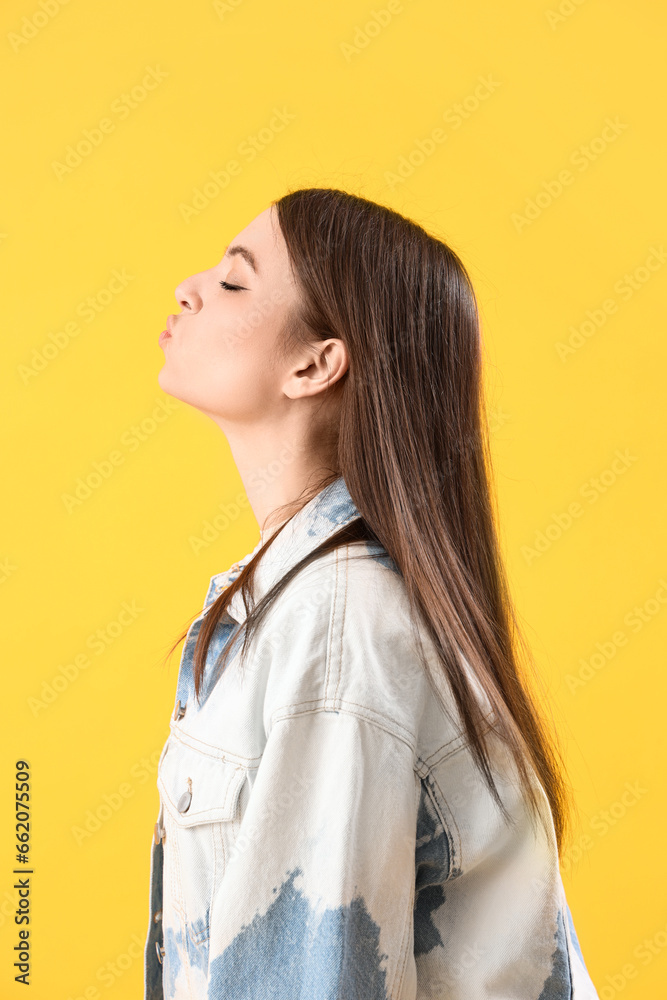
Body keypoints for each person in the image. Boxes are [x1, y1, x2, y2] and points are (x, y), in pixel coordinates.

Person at [144, 187, 600, 999]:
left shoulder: (336, 629)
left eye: (236, 281)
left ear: (315, 362)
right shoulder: (307, 604)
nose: (190, 286)